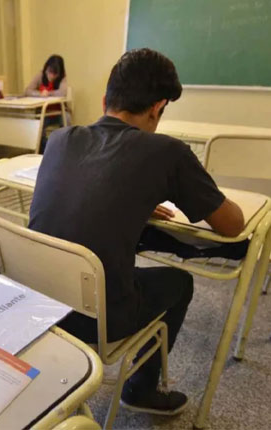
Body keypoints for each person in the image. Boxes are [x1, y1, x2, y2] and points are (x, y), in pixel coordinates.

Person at [28, 48, 244, 416]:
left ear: (104, 100)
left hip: (34, 300)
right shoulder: (167, 152)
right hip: (96, 316)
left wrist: (135, 202)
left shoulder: (60, 138)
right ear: (158, 107)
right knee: (180, 284)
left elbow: (86, 198)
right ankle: (141, 390)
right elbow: (232, 224)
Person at [24, 54, 70, 152]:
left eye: (55, 74)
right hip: (44, 113)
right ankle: (42, 149)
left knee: (67, 119)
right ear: (46, 69)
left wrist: (48, 93)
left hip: (59, 112)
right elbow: (27, 90)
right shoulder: (40, 75)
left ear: (59, 73)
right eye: (50, 72)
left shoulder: (62, 79)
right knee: (37, 125)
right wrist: (39, 94)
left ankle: (64, 148)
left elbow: (63, 92)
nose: (51, 76)